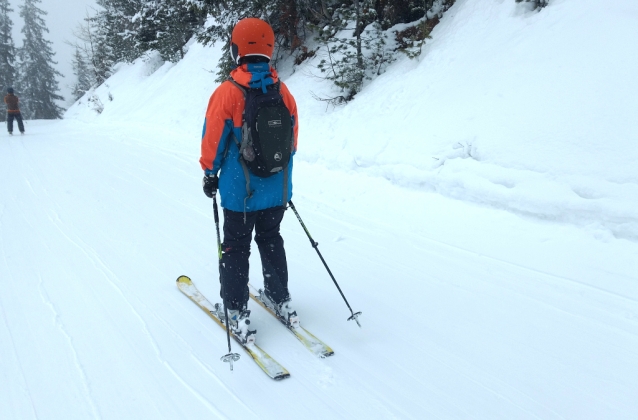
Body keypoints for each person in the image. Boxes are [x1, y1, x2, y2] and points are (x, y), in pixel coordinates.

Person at [199, 18, 299, 343]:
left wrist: (209, 174)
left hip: (240, 195)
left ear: (236, 50)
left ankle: (235, 311)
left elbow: (211, 143)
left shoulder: (227, 94)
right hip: (276, 191)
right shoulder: (284, 93)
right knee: (271, 239)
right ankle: (280, 297)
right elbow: (291, 145)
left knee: (236, 247)